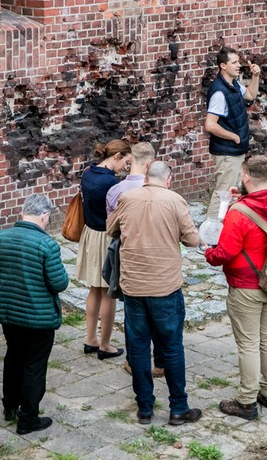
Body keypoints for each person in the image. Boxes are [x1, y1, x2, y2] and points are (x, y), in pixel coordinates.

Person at [107, 161, 202, 426]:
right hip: (165, 286)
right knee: (171, 347)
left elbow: (111, 228)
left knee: (137, 348)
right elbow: (193, 240)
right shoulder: (175, 200)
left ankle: (145, 409)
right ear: (168, 180)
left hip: (134, 286)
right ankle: (178, 407)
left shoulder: (127, 198)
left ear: (146, 177)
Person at [205, 156, 267, 420]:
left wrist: (209, 254)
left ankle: (246, 401)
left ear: (245, 177)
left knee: (248, 343)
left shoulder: (238, 214)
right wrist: (242, 197)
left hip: (246, 285)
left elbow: (226, 251)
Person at [0, 194, 68, 435]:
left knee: (13, 358)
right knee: (34, 365)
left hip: (9, 315)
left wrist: (1, 296)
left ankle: (9, 406)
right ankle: (28, 418)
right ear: (44, 216)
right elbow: (59, 283)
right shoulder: (47, 245)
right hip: (39, 319)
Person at [104, 142, 162, 378]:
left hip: (128, 257)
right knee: (159, 311)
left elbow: (112, 229)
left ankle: (133, 360)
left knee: (134, 314)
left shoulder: (115, 191)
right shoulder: (162, 191)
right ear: (149, 163)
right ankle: (160, 362)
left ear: (131, 160)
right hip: (157, 256)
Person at [76, 139, 131, 360]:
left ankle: (90, 338)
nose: (125, 168)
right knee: (109, 291)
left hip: (89, 233)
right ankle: (105, 344)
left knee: (94, 289)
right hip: (105, 237)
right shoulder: (111, 183)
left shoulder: (88, 172)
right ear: (116, 156)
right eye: (125, 162)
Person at [204, 46, 261, 218]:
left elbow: (250, 94)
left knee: (230, 192)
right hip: (227, 152)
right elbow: (210, 125)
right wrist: (234, 137)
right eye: (234, 62)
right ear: (223, 66)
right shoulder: (220, 92)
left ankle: (224, 227)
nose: (238, 66)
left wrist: (255, 76)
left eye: (238, 62)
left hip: (235, 150)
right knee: (223, 193)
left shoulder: (233, 84)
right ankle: (211, 232)